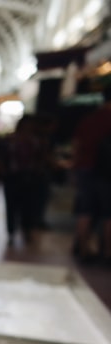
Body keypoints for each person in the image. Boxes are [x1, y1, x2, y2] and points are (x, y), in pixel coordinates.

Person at [70, 83, 111, 261]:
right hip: (107, 172)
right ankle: (108, 252)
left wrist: (75, 167)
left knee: (85, 210)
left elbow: (76, 146)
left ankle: (84, 249)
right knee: (108, 213)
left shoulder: (89, 119)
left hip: (85, 168)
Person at [3, 115, 47, 245]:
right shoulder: (11, 139)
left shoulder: (37, 140)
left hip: (30, 176)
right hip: (13, 176)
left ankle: (26, 229)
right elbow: (4, 156)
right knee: (11, 205)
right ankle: (11, 231)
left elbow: (41, 157)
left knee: (28, 205)